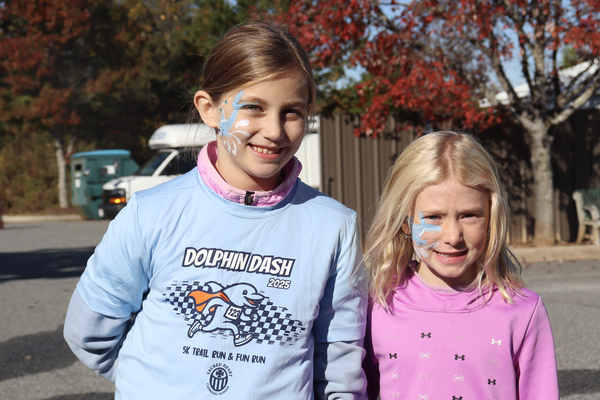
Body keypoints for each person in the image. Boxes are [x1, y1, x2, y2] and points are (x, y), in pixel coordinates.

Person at [64, 22, 367, 399]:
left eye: (291, 112)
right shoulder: (150, 212)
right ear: (209, 109)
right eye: (254, 107)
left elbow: (338, 363)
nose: (274, 130)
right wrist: (148, 382)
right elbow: (89, 331)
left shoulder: (335, 226)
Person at [362, 131, 559, 400]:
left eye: (469, 215)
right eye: (434, 217)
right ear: (406, 223)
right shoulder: (378, 305)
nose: (453, 236)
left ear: (491, 219)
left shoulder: (522, 310)